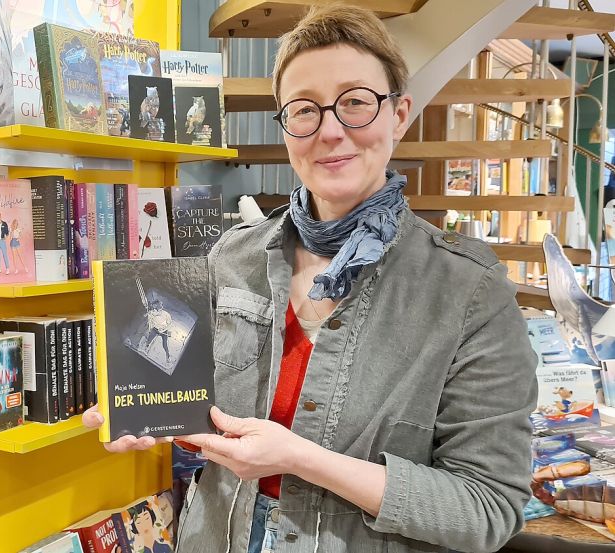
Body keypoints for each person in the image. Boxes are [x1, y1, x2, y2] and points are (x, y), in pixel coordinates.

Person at [82, 5, 537, 553]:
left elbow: (488, 509)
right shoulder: (234, 255)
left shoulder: (469, 290)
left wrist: (302, 461)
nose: (329, 131)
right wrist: (144, 405)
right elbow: (187, 396)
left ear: (399, 115)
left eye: (355, 103)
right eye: (303, 110)